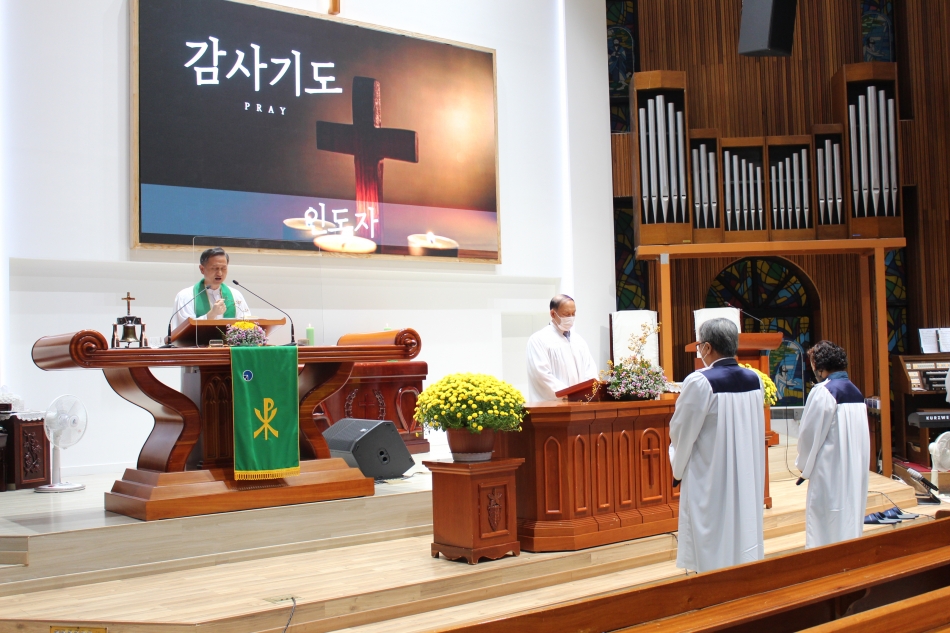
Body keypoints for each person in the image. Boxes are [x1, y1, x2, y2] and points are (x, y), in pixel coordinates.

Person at [669, 318, 765, 573]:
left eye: (699, 345)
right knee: (742, 526)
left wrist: (677, 467)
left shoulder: (700, 382)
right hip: (746, 472)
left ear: (707, 347)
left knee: (713, 531)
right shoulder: (754, 379)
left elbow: (682, 430)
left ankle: (711, 580)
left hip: (711, 474)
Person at [796, 341, 870, 549]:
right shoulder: (856, 392)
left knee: (826, 523)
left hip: (830, 469)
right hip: (854, 469)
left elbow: (810, 433)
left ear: (819, 366)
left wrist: (803, 464)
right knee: (849, 518)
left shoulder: (824, 392)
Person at [525, 294, 599, 402]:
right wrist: (571, 394)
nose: (571, 318)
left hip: (580, 404)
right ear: (553, 313)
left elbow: (590, 369)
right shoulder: (538, 340)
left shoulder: (578, 340)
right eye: (566, 314)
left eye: (573, 314)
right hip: (554, 405)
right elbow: (541, 375)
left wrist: (587, 392)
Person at [170, 247, 250, 332]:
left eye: (223, 268)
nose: (219, 273)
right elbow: (183, 329)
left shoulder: (236, 295)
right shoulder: (186, 296)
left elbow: (247, 325)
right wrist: (211, 315)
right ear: (202, 269)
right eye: (215, 268)